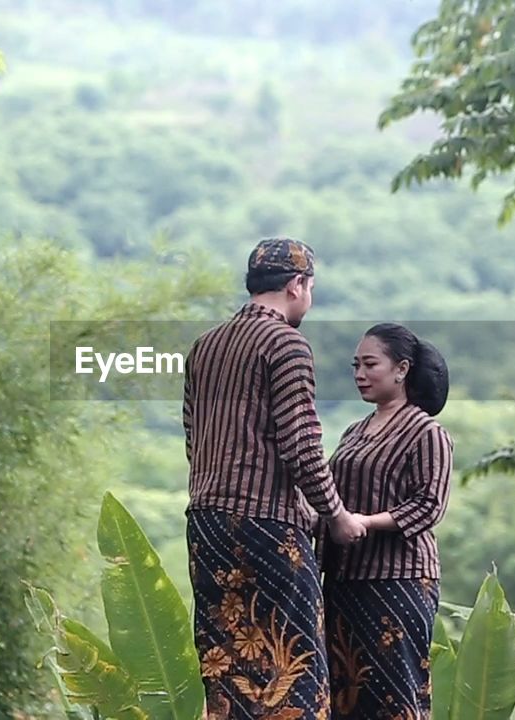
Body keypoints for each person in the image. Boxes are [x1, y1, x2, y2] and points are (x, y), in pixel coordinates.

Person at [182, 236, 367, 720]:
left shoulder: (206, 345)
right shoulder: (286, 343)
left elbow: (192, 434)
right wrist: (336, 513)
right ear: (297, 285)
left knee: (227, 660)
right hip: (265, 523)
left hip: (205, 522)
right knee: (295, 662)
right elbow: (302, 443)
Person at [320, 323, 454, 720]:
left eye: (370, 364)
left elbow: (429, 505)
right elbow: (336, 502)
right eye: (355, 365)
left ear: (401, 369)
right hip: (343, 580)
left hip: (397, 581)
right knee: (344, 696)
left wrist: (366, 521)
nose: (359, 374)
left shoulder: (426, 432)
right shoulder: (353, 432)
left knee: (393, 695)